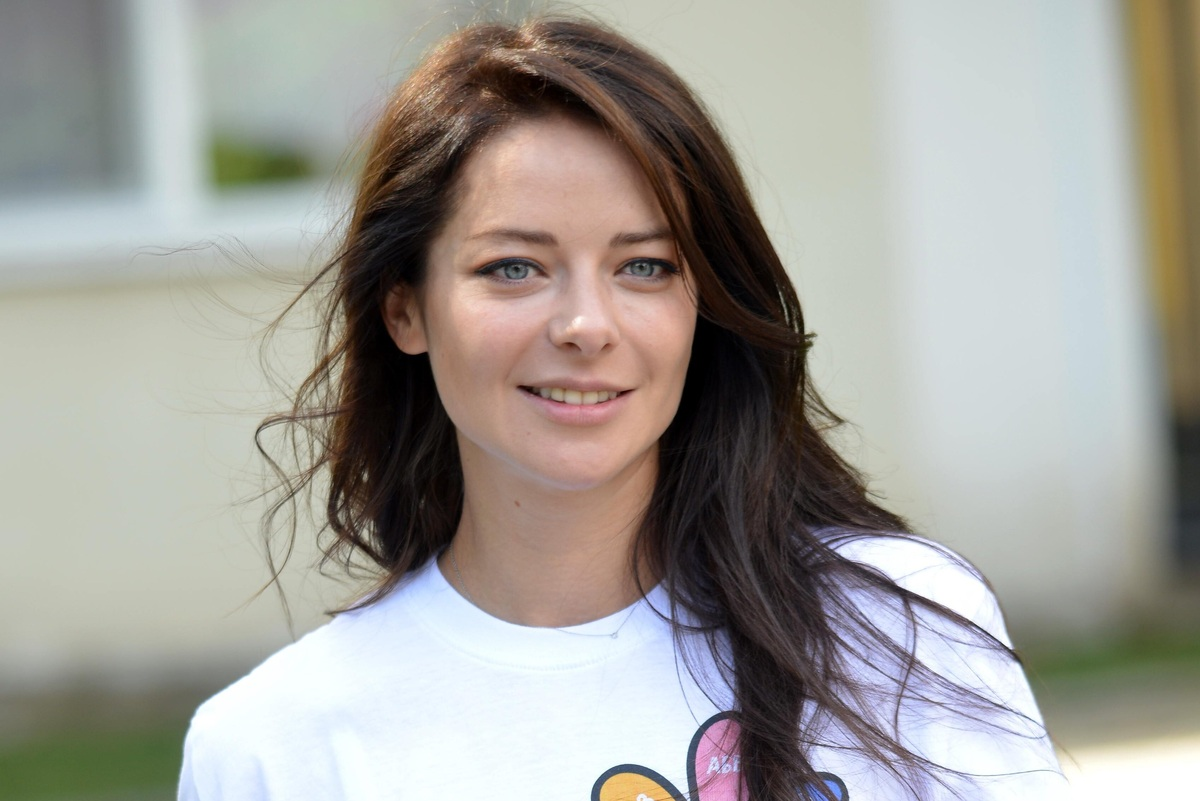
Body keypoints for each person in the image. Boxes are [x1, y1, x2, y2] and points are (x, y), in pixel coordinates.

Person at [178, 15, 1067, 801]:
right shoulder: (270, 748)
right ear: (405, 309)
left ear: (702, 304)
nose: (585, 326)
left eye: (644, 266)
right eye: (513, 267)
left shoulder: (902, 631)